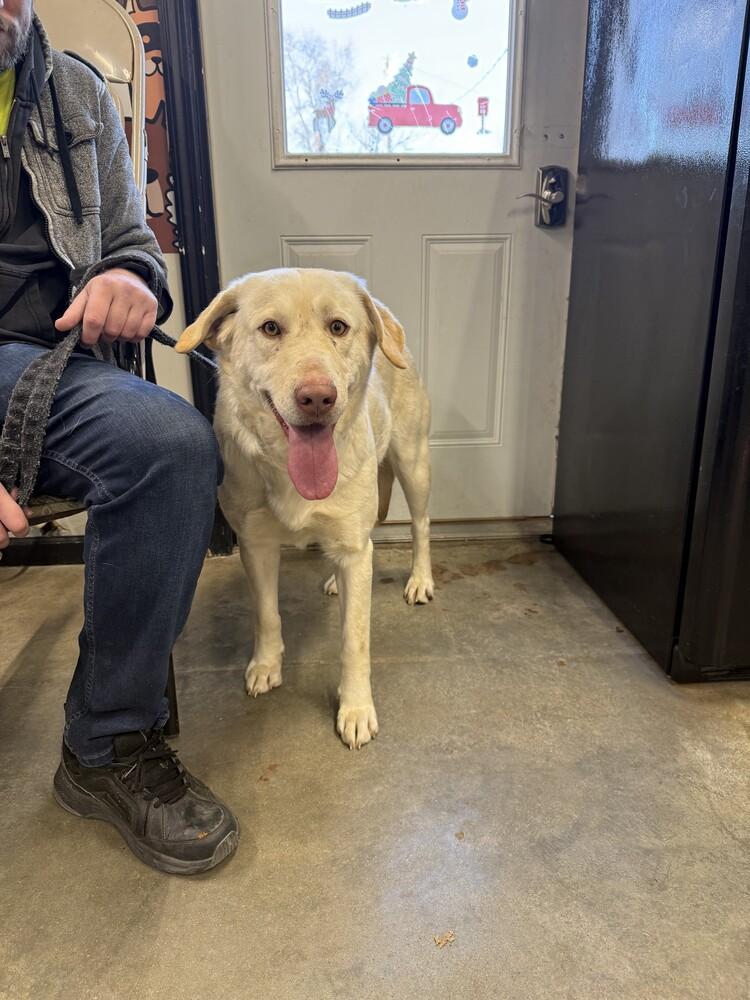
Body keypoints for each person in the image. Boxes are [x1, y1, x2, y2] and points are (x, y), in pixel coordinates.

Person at [0, 1, 239, 874]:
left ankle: (105, 741)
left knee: (177, 448)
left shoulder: (74, 92)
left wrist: (130, 278)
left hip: (53, 366)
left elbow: (134, 243)